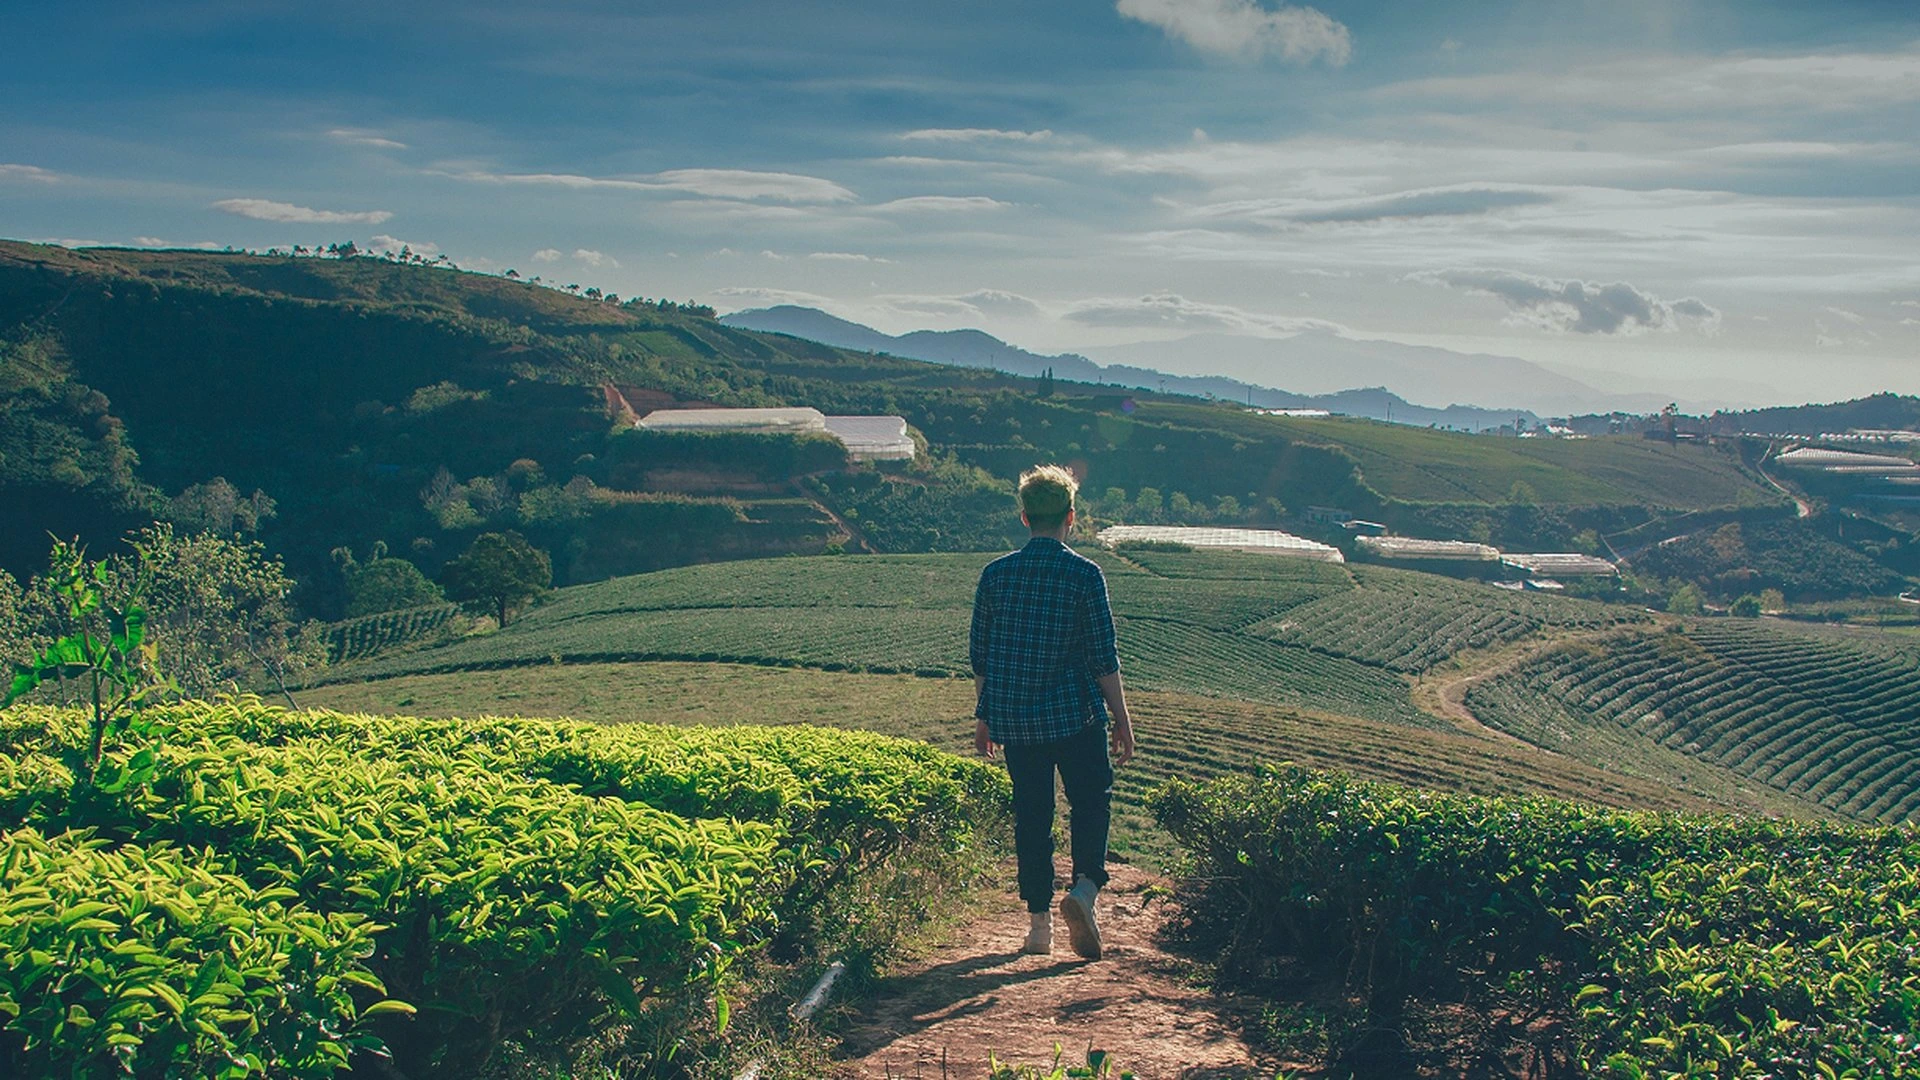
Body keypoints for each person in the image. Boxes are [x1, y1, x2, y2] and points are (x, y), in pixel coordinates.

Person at [970, 464, 1136, 960]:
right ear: (1071, 518)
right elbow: (1102, 656)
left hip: (1017, 720)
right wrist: (1122, 720)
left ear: (1024, 518)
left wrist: (985, 716)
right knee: (1090, 801)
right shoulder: (1086, 574)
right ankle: (1084, 890)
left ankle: (1038, 927)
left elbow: (982, 655)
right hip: (1076, 716)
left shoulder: (996, 575)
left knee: (1032, 816)